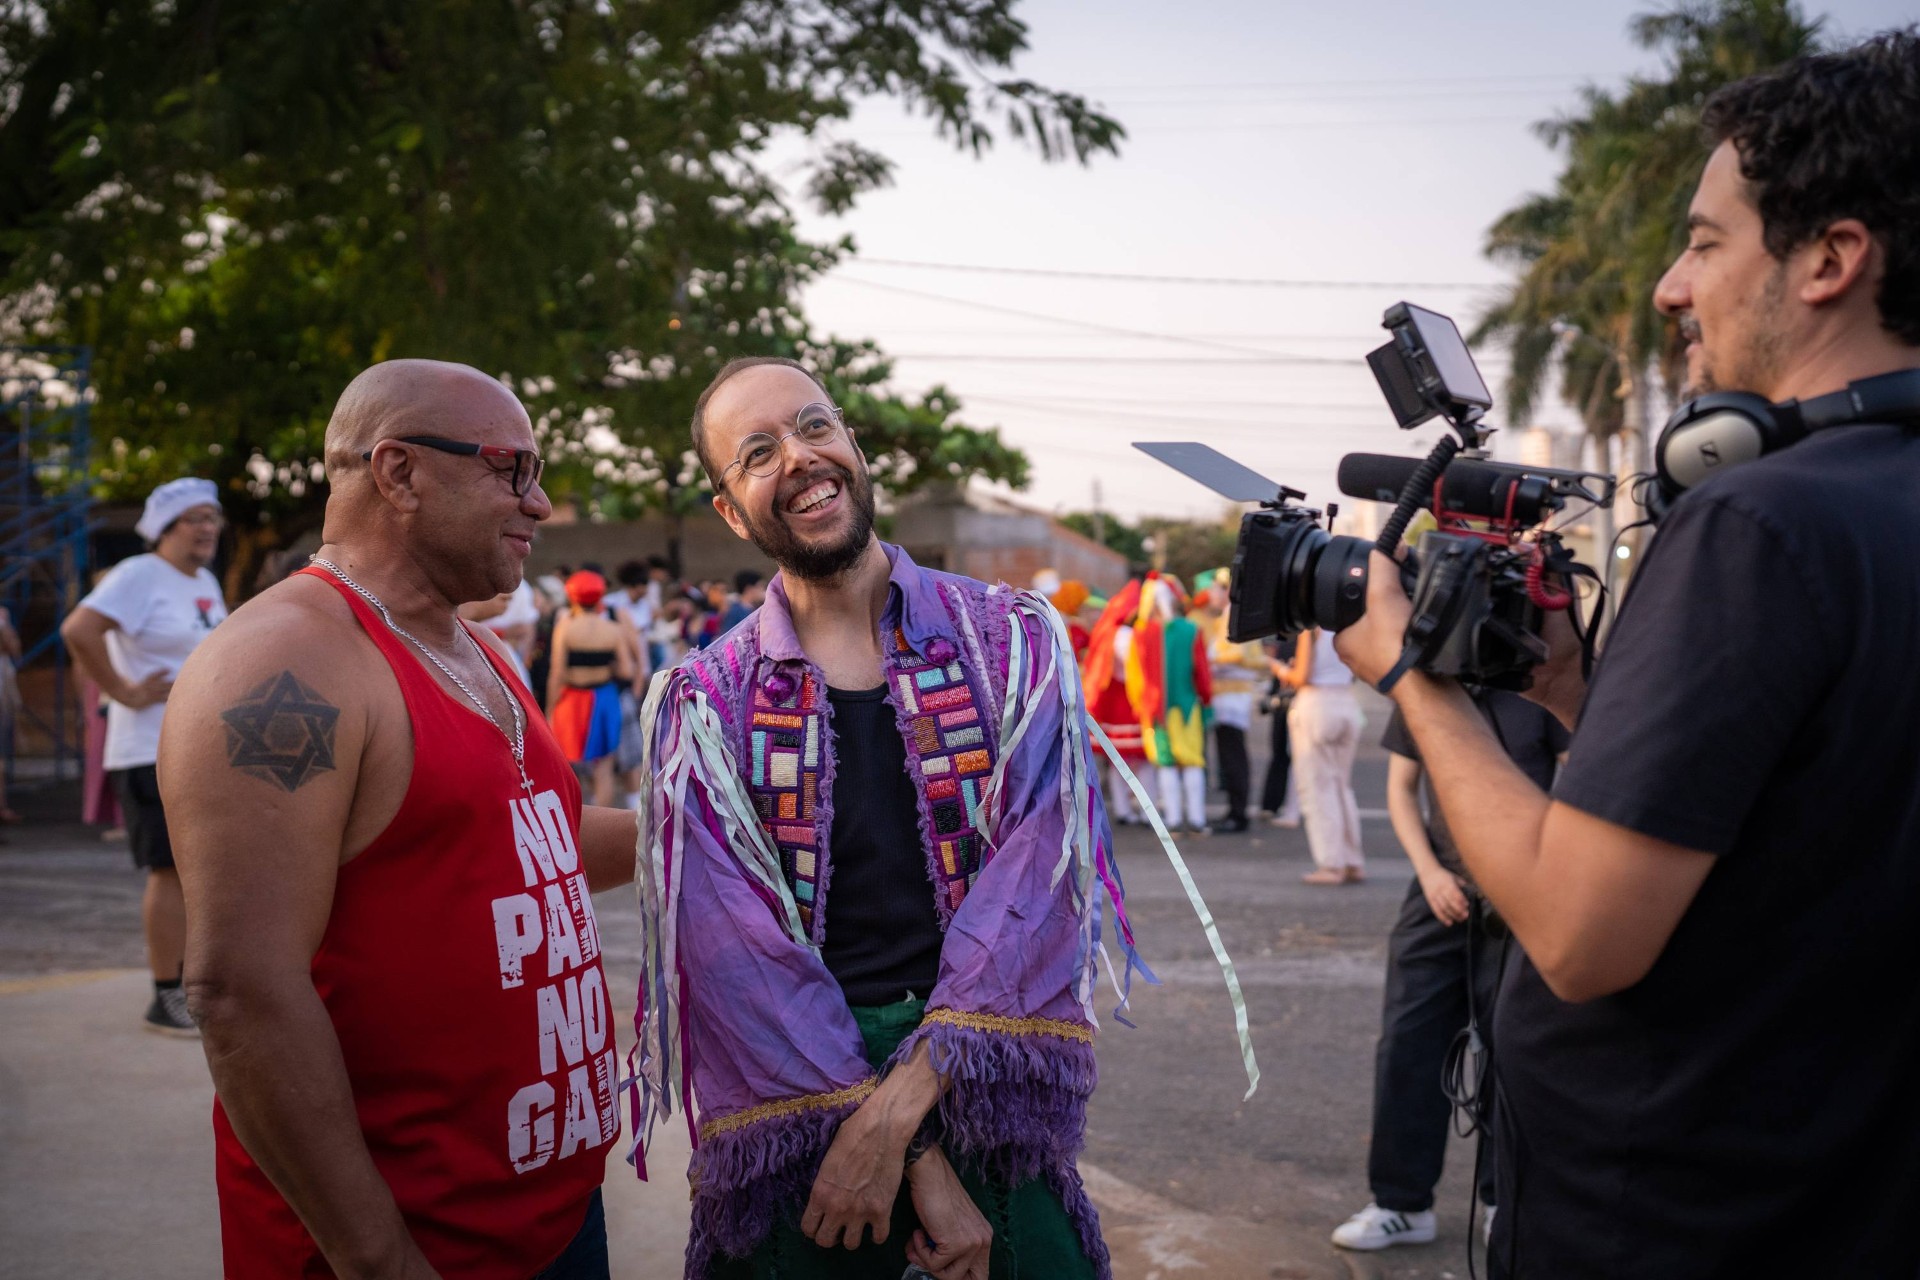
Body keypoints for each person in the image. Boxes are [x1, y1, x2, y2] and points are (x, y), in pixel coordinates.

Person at [1333, 33, 1920, 1278]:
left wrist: (1411, 672)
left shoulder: (1764, 522)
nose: (1669, 285)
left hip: (1677, 1217)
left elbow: (1581, 931)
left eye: (1706, 243)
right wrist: (1570, 691)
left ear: (1831, 258)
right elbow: (1800, 817)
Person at [630, 356, 1141, 1280]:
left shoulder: (1011, 642)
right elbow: (742, 965)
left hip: (983, 1083)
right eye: (757, 451)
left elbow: (1036, 888)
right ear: (730, 511)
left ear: (855, 448)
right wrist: (910, 1159)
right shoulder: (703, 704)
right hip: (804, 1124)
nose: (799, 456)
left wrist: (909, 1112)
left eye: (815, 426)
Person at [156, 359, 639, 1279]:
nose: (538, 505)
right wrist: (376, 1257)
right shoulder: (282, 665)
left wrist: (714, 825)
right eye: (513, 469)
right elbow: (241, 990)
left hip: (550, 1218)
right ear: (399, 472)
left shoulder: (479, 648)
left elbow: (535, 844)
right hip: (407, 1246)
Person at [1331, 688, 1567, 1253]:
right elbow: (1401, 791)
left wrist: (1536, 871)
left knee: (1511, 1053)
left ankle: (1501, 1202)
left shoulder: (1541, 687)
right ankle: (1401, 1203)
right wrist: (1430, 872)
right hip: (1438, 892)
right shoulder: (1428, 685)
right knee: (1408, 1042)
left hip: (1520, 896)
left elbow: (1575, 787)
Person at [61, 477, 228, 1034]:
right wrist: (124, 690)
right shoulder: (138, 574)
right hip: (148, 747)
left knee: (202, 869)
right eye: (195, 518)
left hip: (199, 748)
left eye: (213, 518)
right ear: (164, 527)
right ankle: (165, 993)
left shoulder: (202, 579)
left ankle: (197, 985)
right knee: (169, 870)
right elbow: (79, 628)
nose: (208, 528)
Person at [547, 569, 639, 807]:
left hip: (572, 699)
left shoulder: (565, 627)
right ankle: (601, 824)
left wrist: (549, 710)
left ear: (572, 597)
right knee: (604, 768)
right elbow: (627, 670)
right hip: (605, 698)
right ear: (600, 597)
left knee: (568, 767)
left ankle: (576, 827)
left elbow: (557, 673)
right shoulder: (613, 629)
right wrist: (606, 664)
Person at [1282, 627, 1364, 884]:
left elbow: (1302, 675)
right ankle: (1352, 860)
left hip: (1316, 704)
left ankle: (1331, 864)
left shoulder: (1312, 629)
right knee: (1342, 786)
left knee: (1318, 788)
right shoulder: (1350, 624)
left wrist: (1278, 668)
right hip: (1347, 703)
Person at [1135, 574, 1211, 837]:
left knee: (1166, 763)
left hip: (1156, 710)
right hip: (1187, 707)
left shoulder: (1142, 633)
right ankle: (1197, 820)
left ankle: (1174, 820)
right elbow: (1202, 673)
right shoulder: (1191, 629)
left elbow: (1137, 676)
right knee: (1192, 762)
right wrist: (1207, 701)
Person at [1197, 569, 1267, 835]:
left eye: (1216, 588)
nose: (1211, 594)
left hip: (1231, 699)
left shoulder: (1233, 620)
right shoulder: (1227, 619)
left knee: (1233, 757)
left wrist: (1205, 663)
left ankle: (1238, 814)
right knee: (1230, 756)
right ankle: (1235, 811)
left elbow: (1238, 656)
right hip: (1227, 698)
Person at [718, 568, 764, 632]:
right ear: (749, 589)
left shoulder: (754, 609)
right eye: (760, 587)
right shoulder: (734, 612)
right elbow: (727, 636)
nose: (763, 591)